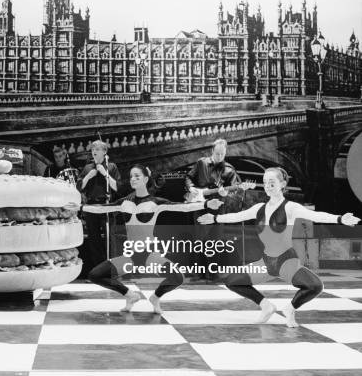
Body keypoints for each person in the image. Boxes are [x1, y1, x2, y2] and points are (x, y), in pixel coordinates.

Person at [198, 167, 360, 327]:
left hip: (286, 262)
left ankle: (290, 308)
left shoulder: (290, 207)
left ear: (282, 184)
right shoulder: (259, 208)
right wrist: (215, 217)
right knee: (232, 281)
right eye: (265, 182)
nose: (267, 186)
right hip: (266, 262)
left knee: (315, 286)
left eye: (272, 182)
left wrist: (340, 219)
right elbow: (236, 217)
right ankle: (266, 306)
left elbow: (315, 215)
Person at [82, 165, 223, 312]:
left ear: (146, 178)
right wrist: (80, 207)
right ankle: (130, 295)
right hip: (130, 256)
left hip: (150, 256)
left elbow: (182, 207)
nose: (133, 179)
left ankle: (155, 297)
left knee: (178, 278)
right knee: (95, 275)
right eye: (131, 176)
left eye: (137, 176)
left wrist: (206, 203)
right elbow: (100, 208)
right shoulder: (124, 202)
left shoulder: (156, 202)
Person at [185, 138, 242, 281]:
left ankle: (213, 274)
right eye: (217, 153)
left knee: (215, 241)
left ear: (225, 152)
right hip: (200, 206)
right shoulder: (201, 163)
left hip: (218, 209)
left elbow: (235, 189)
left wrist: (227, 193)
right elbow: (188, 177)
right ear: (212, 151)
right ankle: (199, 274)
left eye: (222, 154)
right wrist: (191, 187)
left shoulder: (229, 170)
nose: (219, 156)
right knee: (199, 240)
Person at [76, 140, 121, 275]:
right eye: (92, 149)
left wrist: (105, 174)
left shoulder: (111, 167)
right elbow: (79, 187)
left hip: (107, 204)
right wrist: (88, 177)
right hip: (91, 205)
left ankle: (112, 269)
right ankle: (99, 271)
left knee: (110, 237)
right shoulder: (88, 168)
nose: (94, 151)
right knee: (94, 239)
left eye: (97, 149)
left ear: (104, 152)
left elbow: (117, 187)